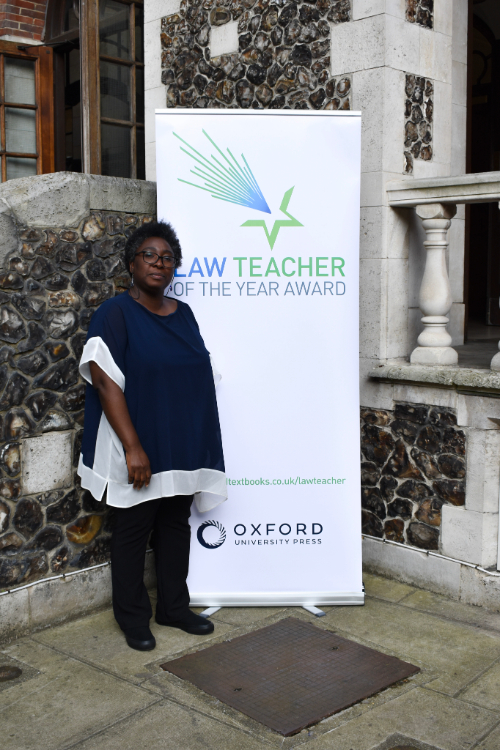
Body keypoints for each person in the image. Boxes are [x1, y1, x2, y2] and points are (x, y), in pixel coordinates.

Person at [77, 220, 226, 652]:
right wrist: (133, 448)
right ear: (131, 264)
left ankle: (174, 608)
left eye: (168, 258)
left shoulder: (185, 314)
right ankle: (133, 618)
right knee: (133, 529)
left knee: (175, 526)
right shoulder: (115, 314)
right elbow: (106, 384)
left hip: (179, 442)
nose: (160, 263)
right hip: (138, 444)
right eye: (150, 255)